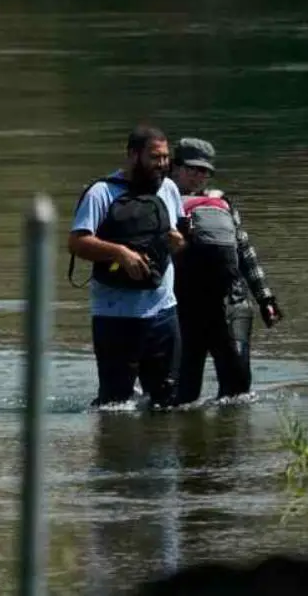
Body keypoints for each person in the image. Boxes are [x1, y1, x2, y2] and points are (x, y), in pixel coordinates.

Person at [67, 125, 187, 408]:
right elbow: (77, 242)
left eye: (165, 158)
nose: (162, 164)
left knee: (168, 400)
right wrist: (120, 253)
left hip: (163, 312)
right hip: (115, 316)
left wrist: (178, 241)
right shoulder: (101, 192)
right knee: (115, 405)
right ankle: (116, 450)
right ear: (133, 155)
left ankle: (161, 449)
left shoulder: (168, 189)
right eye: (155, 157)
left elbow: (179, 240)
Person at [169, 138, 284, 405]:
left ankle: (233, 444)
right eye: (193, 169)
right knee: (182, 396)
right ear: (174, 167)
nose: (200, 176)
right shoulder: (160, 200)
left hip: (231, 303)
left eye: (205, 171)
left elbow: (245, 251)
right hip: (184, 307)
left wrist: (265, 298)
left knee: (237, 394)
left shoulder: (221, 203)